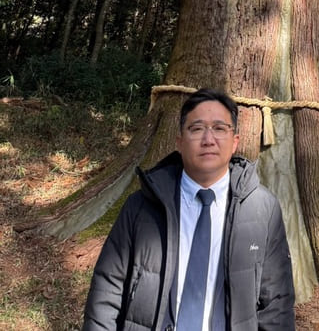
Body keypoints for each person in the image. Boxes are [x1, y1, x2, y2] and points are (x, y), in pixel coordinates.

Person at [83, 87, 295, 330]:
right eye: (196, 128)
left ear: (235, 142)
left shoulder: (262, 209)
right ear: (180, 143)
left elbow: (276, 303)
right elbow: (107, 289)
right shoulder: (142, 205)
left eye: (219, 128)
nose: (208, 139)